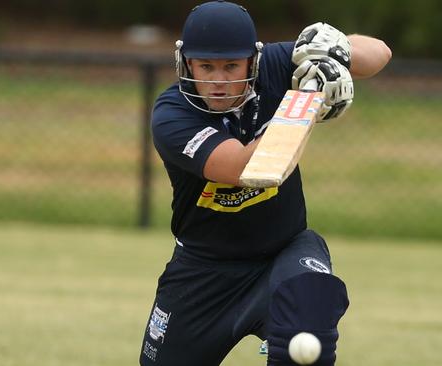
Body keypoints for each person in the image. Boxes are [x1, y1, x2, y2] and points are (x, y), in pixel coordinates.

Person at [139, 1, 391, 365]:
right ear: (186, 64)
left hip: (282, 252)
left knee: (309, 301)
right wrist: (306, 104)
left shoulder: (273, 65)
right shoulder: (172, 114)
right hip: (204, 269)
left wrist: (331, 50)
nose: (220, 80)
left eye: (231, 66)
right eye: (206, 66)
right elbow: (242, 167)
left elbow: (380, 53)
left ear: (252, 61)